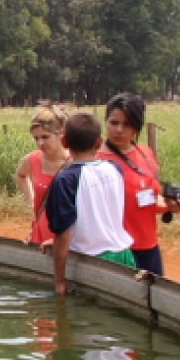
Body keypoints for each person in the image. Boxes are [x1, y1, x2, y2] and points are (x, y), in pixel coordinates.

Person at [97, 93, 180, 277]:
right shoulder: (94, 160)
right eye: (114, 123)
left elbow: (147, 200)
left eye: (127, 124)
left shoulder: (145, 154)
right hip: (116, 251)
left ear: (137, 126)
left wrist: (170, 206)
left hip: (148, 247)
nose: (119, 129)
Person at [45, 113, 136, 294]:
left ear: (64, 142)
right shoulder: (114, 168)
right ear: (98, 142)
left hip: (92, 262)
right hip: (125, 254)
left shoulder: (66, 180)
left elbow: (62, 235)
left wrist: (59, 282)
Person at [15, 104, 70, 245]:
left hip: (67, 235)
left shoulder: (75, 162)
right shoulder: (32, 160)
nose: (40, 143)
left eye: (45, 137)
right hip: (40, 231)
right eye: (36, 138)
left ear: (61, 133)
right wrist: (32, 200)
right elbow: (20, 175)